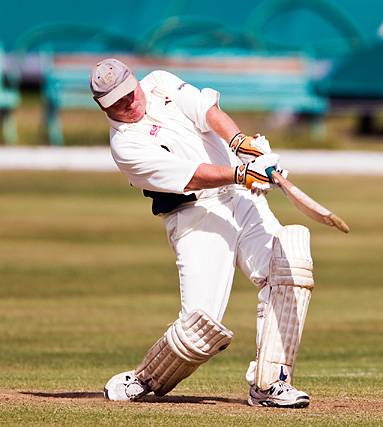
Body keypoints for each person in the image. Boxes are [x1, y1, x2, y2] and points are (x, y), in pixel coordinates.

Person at [91, 58, 315, 408]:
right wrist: (241, 173)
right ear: (103, 107)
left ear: (135, 81)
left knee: (289, 267)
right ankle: (145, 377)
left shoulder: (159, 82)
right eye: (118, 104)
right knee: (200, 330)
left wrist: (241, 144)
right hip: (195, 214)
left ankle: (271, 384)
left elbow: (206, 110)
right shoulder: (125, 146)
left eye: (129, 94)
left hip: (242, 199)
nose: (130, 104)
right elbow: (192, 175)